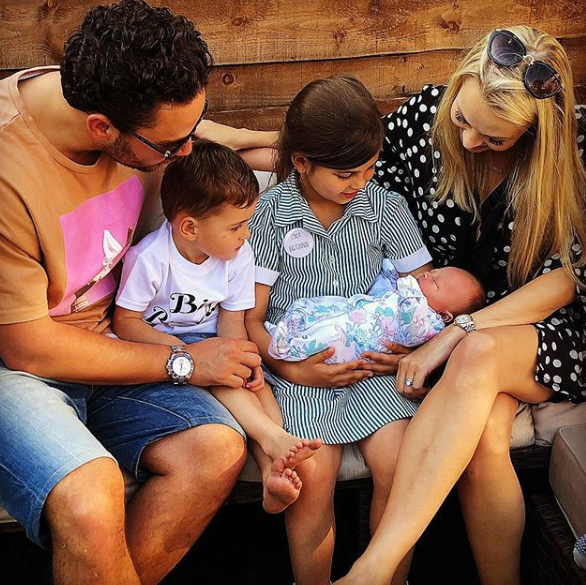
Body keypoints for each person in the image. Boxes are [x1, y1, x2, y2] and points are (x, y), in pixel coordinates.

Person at [0, 2, 265, 584]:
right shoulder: (8, 170)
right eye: (172, 147)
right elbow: (28, 348)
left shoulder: (121, 100)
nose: (186, 154)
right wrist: (182, 361)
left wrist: (274, 140)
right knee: (92, 497)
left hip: (108, 347)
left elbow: (188, 131)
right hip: (20, 370)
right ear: (101, 127)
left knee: (215, 450)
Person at [330, 26, 586, 585]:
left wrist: (456, 331)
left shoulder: (574, 151)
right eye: (464, 120)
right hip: (450, 326)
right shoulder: (428, 114)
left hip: (541, 328)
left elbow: (567, 282)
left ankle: (372, 569)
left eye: (495, 139)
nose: (469, 142)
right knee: (483, 442)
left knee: (477, 352)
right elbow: (344, 162)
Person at [245, 74, 434, 585]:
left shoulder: (385, 207)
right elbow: (251, 319)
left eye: (370, 168)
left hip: (374, 370)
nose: (360, 182)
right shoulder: (269, 215)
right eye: (347, 173)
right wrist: (290, 368)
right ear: (301, 162)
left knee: (402, 465)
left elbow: (424, 296)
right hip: (297, 369)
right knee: (310, 477)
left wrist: (407, 353)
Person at [113, 140, 322, 514]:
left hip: (212, 339)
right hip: (161, 347)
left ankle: (273, 465)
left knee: (256, 386)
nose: (246, 234)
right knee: (224, 378)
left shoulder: (238, 254)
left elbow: (232, 320)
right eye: (236, 226)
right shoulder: (150, 259)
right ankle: (273, 438)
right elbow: (125, 322)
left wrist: (245, 360)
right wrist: (187, 352)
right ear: (190, 227)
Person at [267, 261, 484, 363]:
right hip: (352, 312)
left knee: (330, 335)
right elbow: (380, 290)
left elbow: (411, 330)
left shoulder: (430, 322)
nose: (427, 276)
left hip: (357, 341)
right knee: (320, 306)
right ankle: (288, 327)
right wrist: (391, 273)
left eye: (436, 283)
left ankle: (288, 348)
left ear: (445, 315)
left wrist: (409, 290)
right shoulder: (403, 292)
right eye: (434, 272)